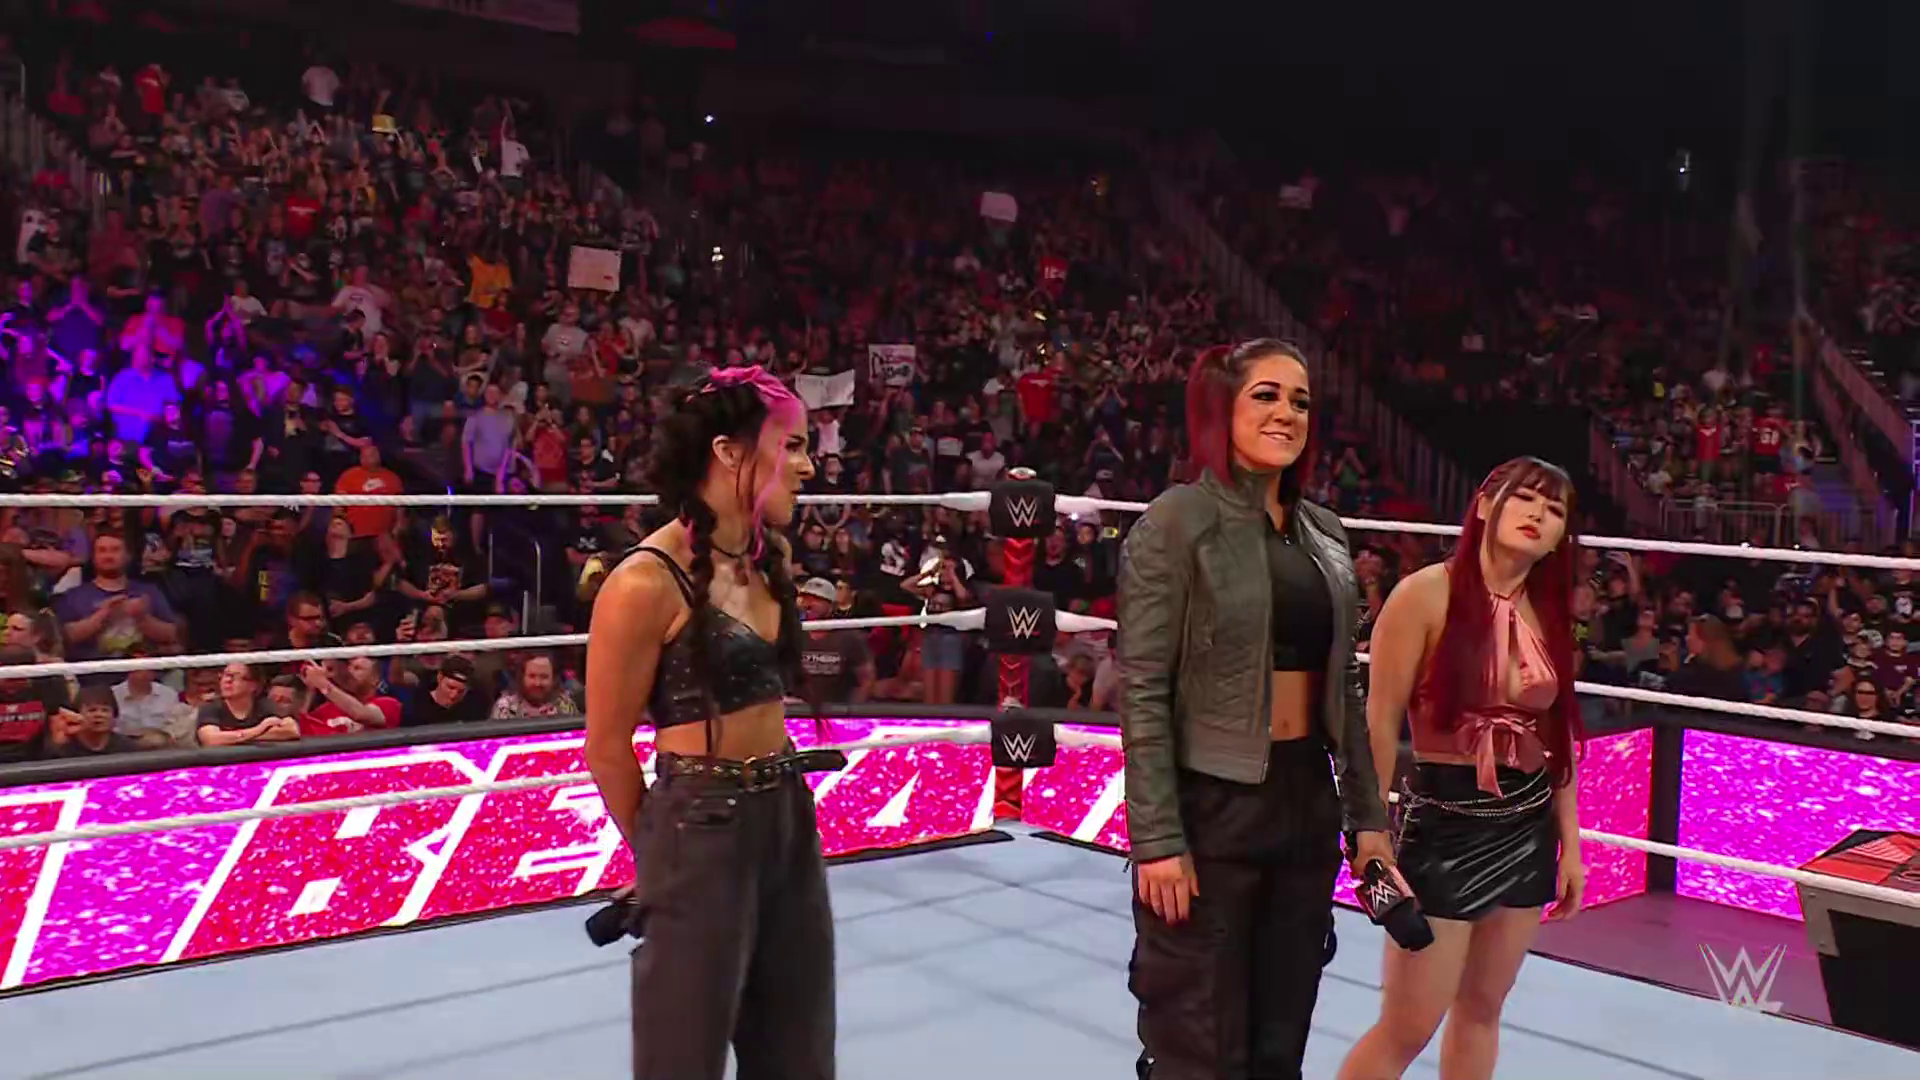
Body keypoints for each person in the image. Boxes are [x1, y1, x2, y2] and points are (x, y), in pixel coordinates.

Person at [1119, 339, 1393, 1080]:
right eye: (1266, 395)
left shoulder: (1324, 533)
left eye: (1300, 400)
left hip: (1305, 801)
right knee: (1199, 1044)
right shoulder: (1176, 521)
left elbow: (1345, 687)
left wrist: (1369, 819)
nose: (1287, 413)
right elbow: (1142, 689)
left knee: (1281, 1043)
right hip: (1212, 802)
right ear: (1223, 408)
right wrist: (1157, 838)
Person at [583, 365, 832, 1080]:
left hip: (787, 812)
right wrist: (660, 861)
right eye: (794, 446)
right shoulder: (642, 582)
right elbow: (607, 748)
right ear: (728, 452)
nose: (809, 467)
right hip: (699, 821)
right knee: (682, 1057)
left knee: (800, 1051)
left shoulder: (771, 555)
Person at [1337, 457, 1588, 1080]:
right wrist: (1368, 832)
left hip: (1528, 827)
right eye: (1525, 498)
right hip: (1446, 823)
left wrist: (1573, 845)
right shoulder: (1423, 595)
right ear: (1484, 505)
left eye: (1554, 509)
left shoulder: (1548, 612)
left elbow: (1557, 738)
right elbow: (1378, 722)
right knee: (1407, 1026)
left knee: (1482, 1010)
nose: (1537, 515)